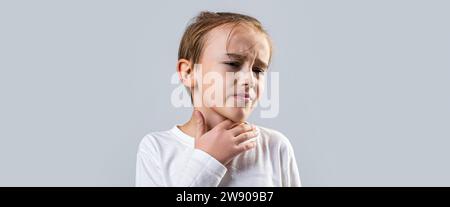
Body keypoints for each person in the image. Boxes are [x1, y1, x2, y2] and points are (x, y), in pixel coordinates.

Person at [135, 11, 301, 187]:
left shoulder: (274, 147)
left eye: (258, 70)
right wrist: (208, 160)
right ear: (189, 73)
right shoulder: (157, 149)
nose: (249, 80)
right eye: (233, 64)